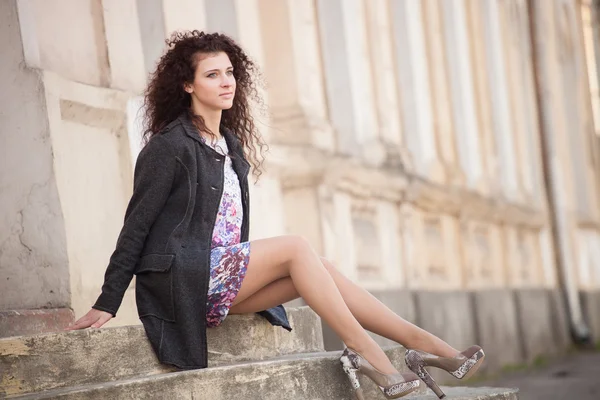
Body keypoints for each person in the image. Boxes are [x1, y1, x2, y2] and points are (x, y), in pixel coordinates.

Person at [66, 31, 484, 399]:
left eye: (229, 72)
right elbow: (136, 225)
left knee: (321, 266)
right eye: (212, 75)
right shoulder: (169, 146)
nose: (226, 81)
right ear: (187, 85)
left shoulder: (228, 146)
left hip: (219, 280)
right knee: (297, 248)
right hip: (184, 280)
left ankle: (427, 345)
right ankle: (369, 353)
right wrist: (109, 299)